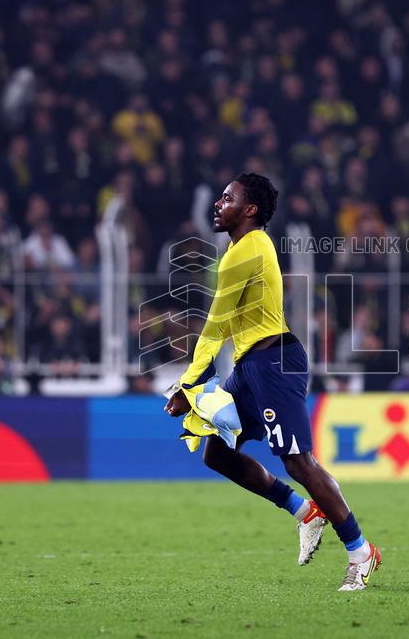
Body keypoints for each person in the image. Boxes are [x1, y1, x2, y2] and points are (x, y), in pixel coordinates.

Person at [163, 173, 381, 592]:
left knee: (298, 460)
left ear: (250, 210)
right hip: (250, 364)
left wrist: (187, 386)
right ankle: (305, 512)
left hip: (274, 361)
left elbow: (216, 324)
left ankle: (360, 551)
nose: (218, 203)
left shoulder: (248, 250)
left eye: (227, 198)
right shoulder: (240, 249)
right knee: (218, 454)